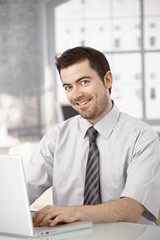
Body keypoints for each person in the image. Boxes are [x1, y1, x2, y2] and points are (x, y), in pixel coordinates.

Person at [25, 46, 160, 227]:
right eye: (68, 87)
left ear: (107, 80)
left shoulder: (143, 138)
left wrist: (73, 212)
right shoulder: (56, 137)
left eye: (84, 82)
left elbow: (132, 208)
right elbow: (22, 190)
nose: (76, 94)